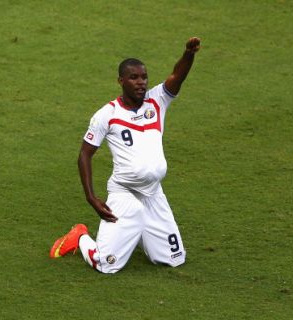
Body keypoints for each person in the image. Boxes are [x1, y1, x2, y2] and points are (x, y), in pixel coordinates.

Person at [50, 37, 201, 273]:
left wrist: (188, 54)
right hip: (124, 192)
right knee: (106, 265)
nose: (141, 82)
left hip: (152, 192)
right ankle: (79, 237)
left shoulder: (156, 101)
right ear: (121, 81)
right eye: (134, 77)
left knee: (174, 258)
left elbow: (176, 76)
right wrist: (91, 197)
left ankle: (135, 230)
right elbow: (84, 154)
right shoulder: (107, 114)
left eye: (143, 77)